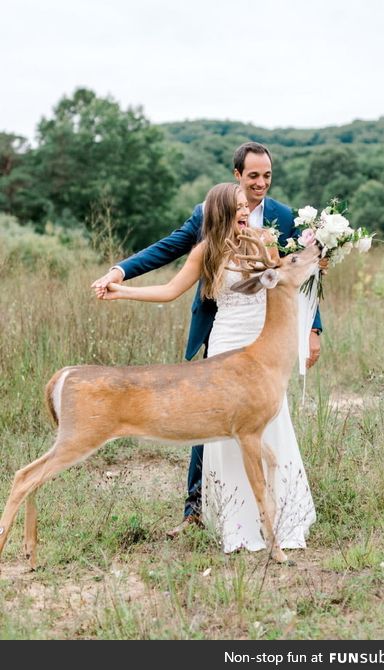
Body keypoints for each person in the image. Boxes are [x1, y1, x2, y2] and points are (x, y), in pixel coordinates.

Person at [91, 142, 322, 536]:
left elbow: (293, 276)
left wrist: (313, 323)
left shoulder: (276, 226)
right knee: (208, 424)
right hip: (225, 334)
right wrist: (121, 278)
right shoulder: (205, 230)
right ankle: (203, 512)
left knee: (270, 424)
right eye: (252, 177)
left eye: (266, 176)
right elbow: (166, 265)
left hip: (264, 338)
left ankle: (283, 517)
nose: (259, 186)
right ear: (236, 178)